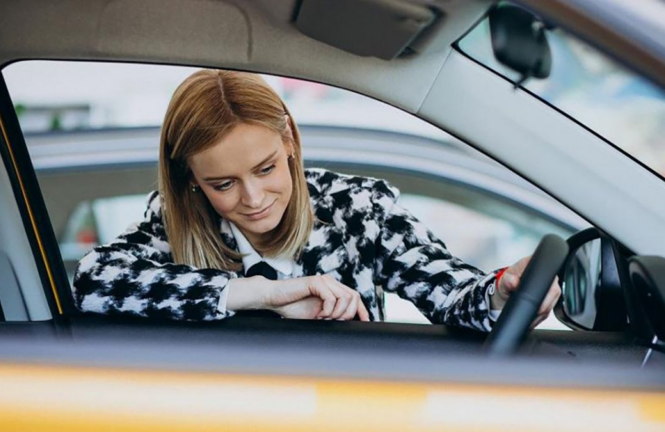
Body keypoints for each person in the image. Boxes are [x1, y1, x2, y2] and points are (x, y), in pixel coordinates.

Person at [72, 69, 560, 330]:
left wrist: (501, 293)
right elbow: (93, 281)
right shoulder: (174, 220)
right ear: (192, 182)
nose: (254, 198)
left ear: (290, 141)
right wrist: (264, 295)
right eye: (223, 184)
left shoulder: (358, 209)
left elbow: (453, 295)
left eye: (266, 169)